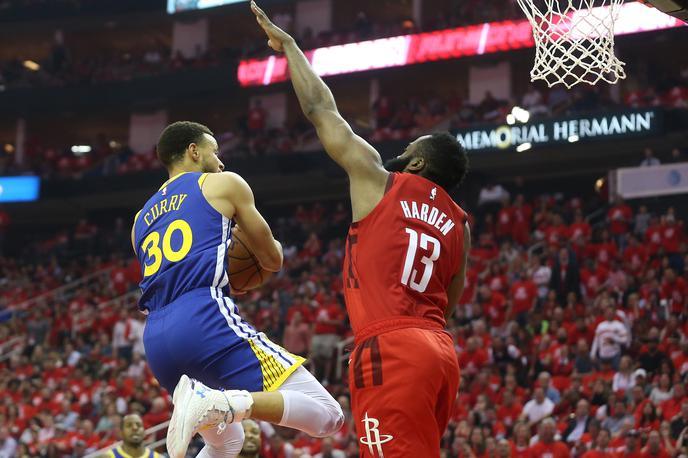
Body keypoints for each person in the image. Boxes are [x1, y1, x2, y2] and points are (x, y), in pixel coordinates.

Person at [251, 2, 469, 456]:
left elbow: (319, 109)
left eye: (409, 148)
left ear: (420, 162)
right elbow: (449, 301)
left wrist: (290, 46)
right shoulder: (460, 224)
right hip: (441, 352)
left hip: (391, 344)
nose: (400, 152)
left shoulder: (378, 178)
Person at [131, 121, 343, 458]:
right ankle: (227, 400)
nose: (221, 162)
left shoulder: (140, 220)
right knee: (328, 415)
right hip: (203, 318)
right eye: (215, 151)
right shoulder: (223, 185)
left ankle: (214, 402)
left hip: (157, 341)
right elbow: (272, 259)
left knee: (229, 442)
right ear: (193, 151)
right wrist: (246, 258)